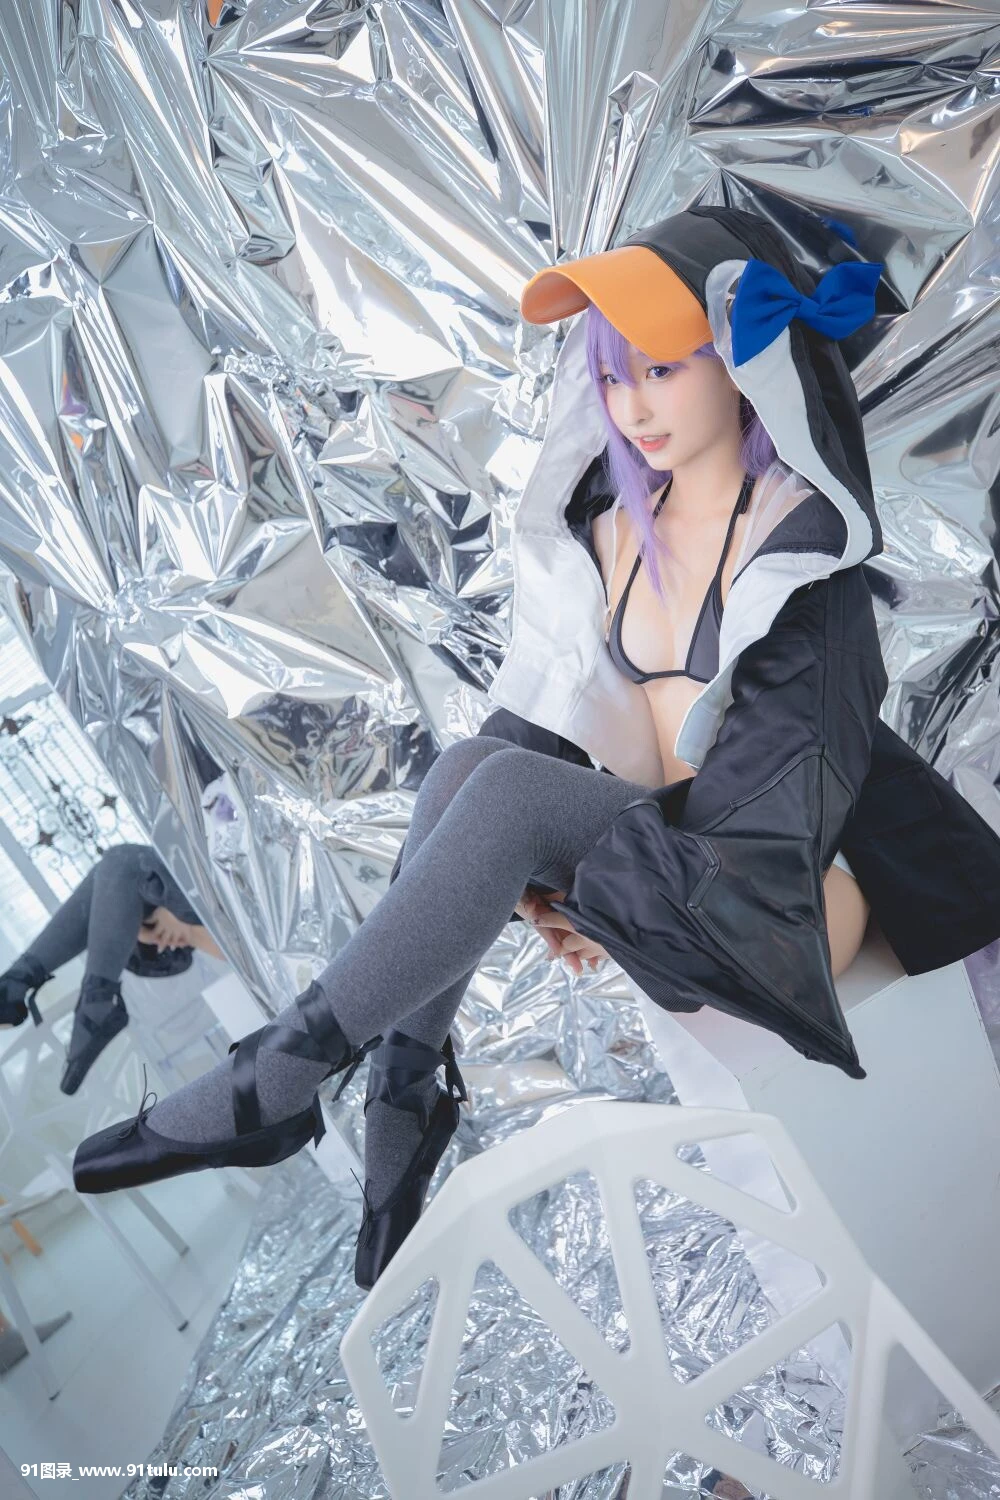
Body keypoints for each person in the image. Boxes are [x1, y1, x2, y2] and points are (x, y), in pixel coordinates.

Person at [69, 206, 1000, 1317]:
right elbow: (555, 723)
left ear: (743, 362)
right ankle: (402, 1087)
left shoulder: (803, 555)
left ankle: (284, 1079)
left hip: (800, 886)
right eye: (612, 376)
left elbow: (782, 799)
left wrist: (604, 876)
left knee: (505, 791)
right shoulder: (614, 530)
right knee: (474, 766)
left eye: (661, 368)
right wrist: (563, 865)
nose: (633, 407)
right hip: (690, 858)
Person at [0, 843, 223, 1094]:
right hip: (172, 930)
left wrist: (187, 928)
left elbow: (235, 946)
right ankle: (82, 1000)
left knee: (121, 862)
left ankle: (19, 986)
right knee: (111, 872)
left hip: (204, 930)